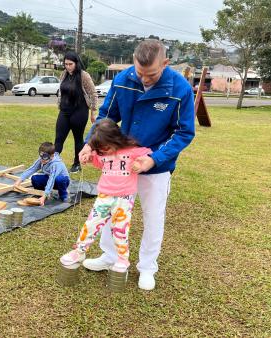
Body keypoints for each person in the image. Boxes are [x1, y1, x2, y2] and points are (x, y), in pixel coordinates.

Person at [79, 39, 195, 290]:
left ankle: (147, 267)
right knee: (111, 209)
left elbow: (184, 132)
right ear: (133, 60)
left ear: (165, 63)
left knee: (153, 217)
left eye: (151, 74)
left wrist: (154, 158)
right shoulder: (122, 80)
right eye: (140, 72)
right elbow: (106, 117)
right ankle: (110, 257)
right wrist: (90, 144)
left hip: (156, 165)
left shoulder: (180, 88)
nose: (144, 79)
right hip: (120, 163)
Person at [60, 119, 151, 274]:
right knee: (90, 225)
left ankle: (122, 259)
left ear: (114, 139)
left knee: (120, 230)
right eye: (99, 148)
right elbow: (97, 160)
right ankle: (79, 252)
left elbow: (148, 154)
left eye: (104, 147)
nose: (102, 150)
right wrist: (88, 158)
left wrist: (143, 163)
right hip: (104, 197)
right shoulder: (101, 152)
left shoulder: (132, 151)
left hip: (124, 199)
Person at [54, 51, 98, 174]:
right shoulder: (64, 74)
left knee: (78, 139)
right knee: (58, 139)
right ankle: (53, 163)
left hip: (79, 112)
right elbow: (61, 91)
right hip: (64, 111)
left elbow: (93, 94)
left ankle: (76, 164)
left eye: (70, 64)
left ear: (76, 63)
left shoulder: (84, 76)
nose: (68, 67)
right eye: (66, 64)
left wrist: (93, 112)